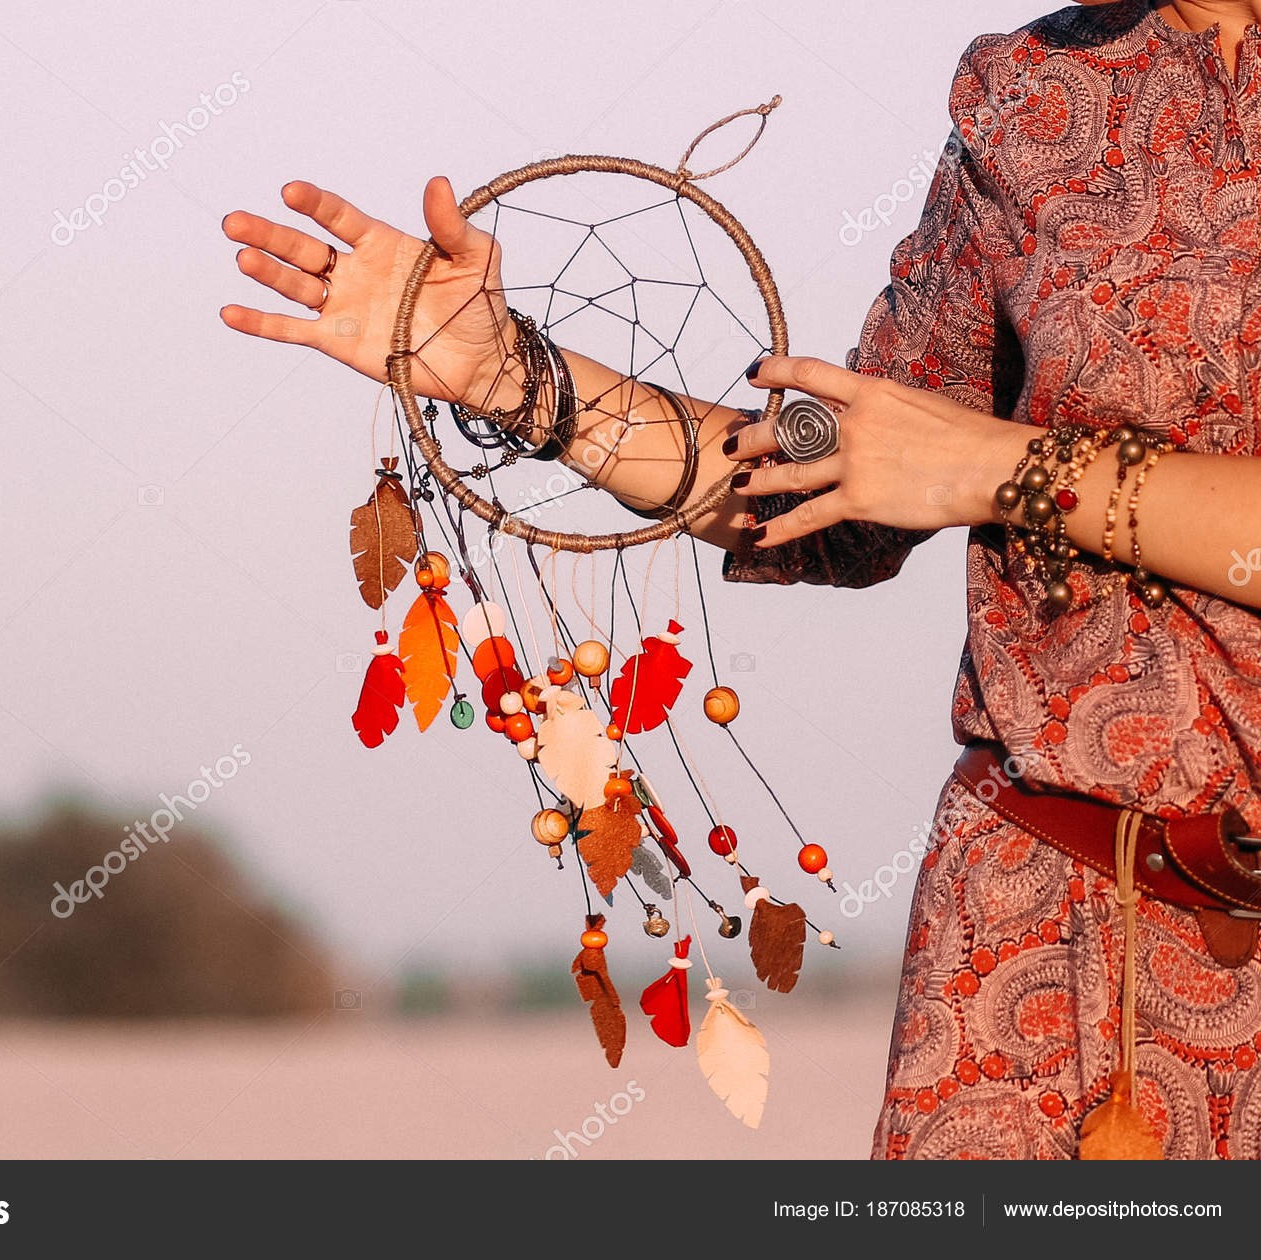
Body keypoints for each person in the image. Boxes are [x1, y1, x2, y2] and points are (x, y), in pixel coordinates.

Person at [222, 0, 1261, 1158]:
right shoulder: (1029, 90)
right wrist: (509, 377)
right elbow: (835, 496)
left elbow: (947, 461)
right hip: (1040, 927)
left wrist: (993, 467)